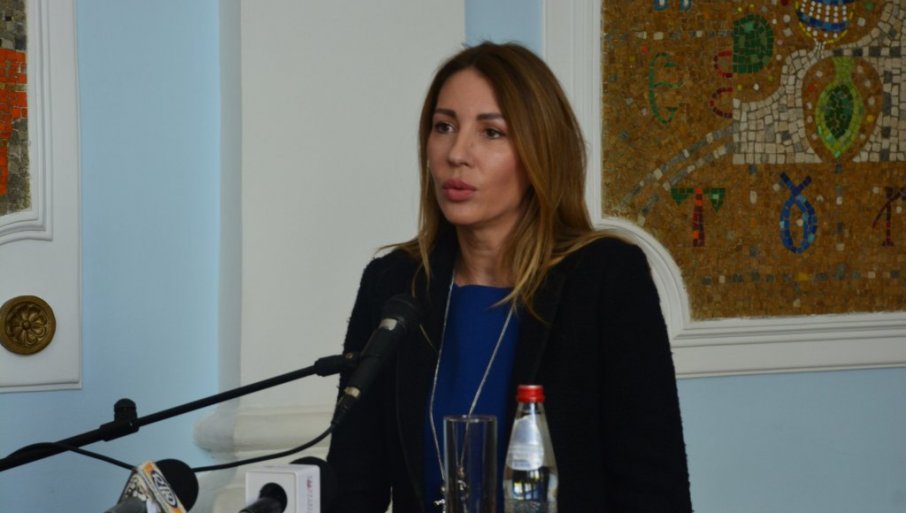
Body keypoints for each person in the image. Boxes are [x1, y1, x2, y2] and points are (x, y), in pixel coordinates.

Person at [326, 42, 692, 512]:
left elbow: (654, 489)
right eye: (444, 127)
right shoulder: (394, 283)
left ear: (541, 151)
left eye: (491, 133)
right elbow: (354, 483)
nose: (457, 154)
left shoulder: (604, 279)